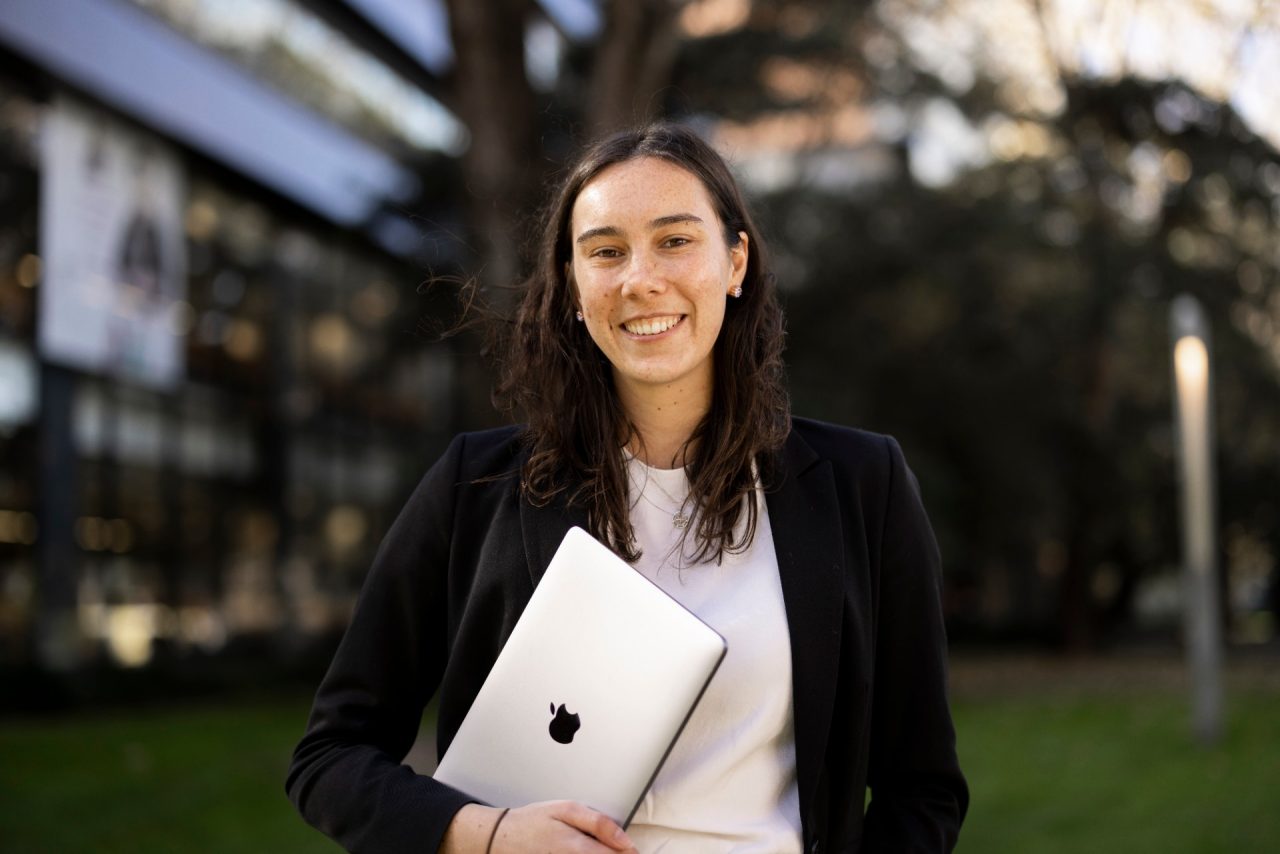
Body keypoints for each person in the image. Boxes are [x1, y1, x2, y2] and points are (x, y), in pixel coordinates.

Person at [286, 123, 968, 853]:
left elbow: (921, 789)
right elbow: (330, 757)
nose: (640, 279)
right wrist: (486, 836)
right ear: (574, 287)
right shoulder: (473, 486)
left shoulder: (863, 483)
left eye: (675, 240)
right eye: (606, 251)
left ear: (736, 262)